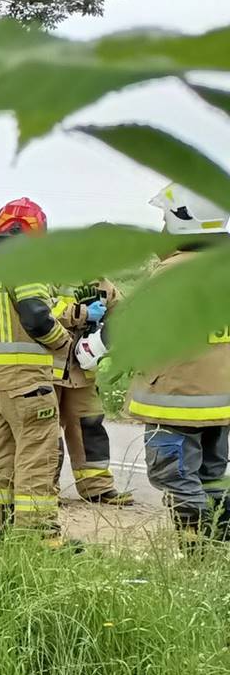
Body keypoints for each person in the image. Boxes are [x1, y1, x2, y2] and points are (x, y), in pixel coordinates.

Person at [0, 198, 74, 540]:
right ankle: (37, 536)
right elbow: (37, 318)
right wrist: (68, 346)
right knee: (37, 456)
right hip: (26, 382)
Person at [129, 183, 230, 551]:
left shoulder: (172, 272)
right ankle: (221, 548)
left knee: (174, 476)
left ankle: (197, 552)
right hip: (220, 403)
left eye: (165, 220)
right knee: (211, 476)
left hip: (175, 401)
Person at [52, 279, 132, 505]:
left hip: (82, 370)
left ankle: (97, 487)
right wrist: (81, 313)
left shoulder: (102, 284)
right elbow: (39, 312)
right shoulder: (48, 275)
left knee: (90, 426)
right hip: (48, 369)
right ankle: (43, 490)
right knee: (46, 432)